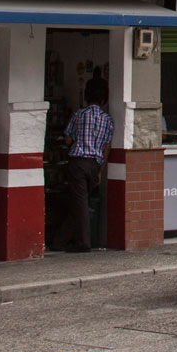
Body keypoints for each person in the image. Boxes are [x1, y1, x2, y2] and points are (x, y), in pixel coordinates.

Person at [59, 78, 112, 252]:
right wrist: (100, 172)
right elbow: (106, 148)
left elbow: (68, 139)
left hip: (78, 161)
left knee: (79, 204)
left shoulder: (79, 114)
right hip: (94, 165)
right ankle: (61, 240)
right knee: (80, 201)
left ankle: (83, 243)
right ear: (104, 98)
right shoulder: (107, 120)